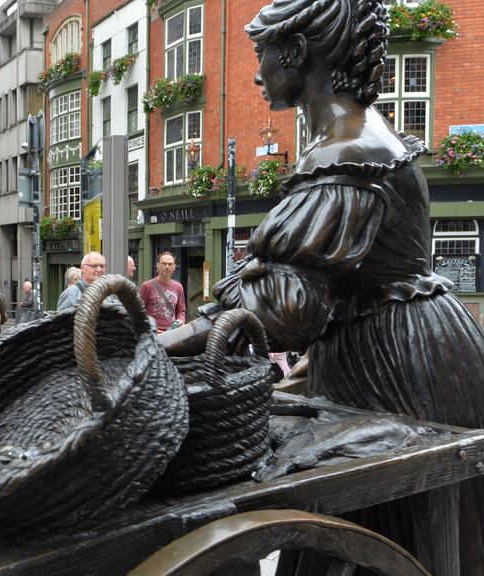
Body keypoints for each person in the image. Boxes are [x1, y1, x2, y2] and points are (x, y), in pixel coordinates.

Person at [181, 0, 484, 570]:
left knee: (392, 525)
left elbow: (288, 307)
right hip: (404, 338)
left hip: (400, 362)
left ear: (295, 53)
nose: (257, 72)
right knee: (386, 527)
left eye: (263, 55)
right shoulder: (354, 140)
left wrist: (167, 341)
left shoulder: (348, 154)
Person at [140, 252, 186, 333]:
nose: (167, 267)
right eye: (164, 264)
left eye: (170, 264)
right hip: (152, 334)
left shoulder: (178, 287)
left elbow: (181, 310)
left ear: (174, 267)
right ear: (158, 266)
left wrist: (180, 320)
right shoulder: (147, 286)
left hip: (171, 333)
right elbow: (138, 312)